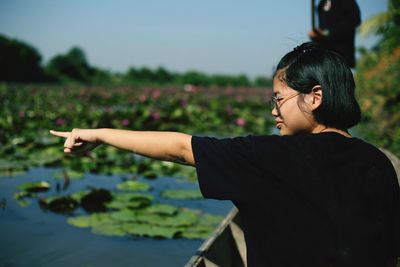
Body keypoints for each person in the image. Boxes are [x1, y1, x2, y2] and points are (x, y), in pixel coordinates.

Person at [49, 42, 399, 267]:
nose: (273, 111)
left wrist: (99, 134)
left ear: (315, 97)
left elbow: (181, 148)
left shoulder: (268, 157)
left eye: (278, 98)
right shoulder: (379, 163)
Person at [309, 0, 361, 68]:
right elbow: (322, 27)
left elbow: (355, 19)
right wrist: (316, 36)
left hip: (342, 56)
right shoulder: (321, 4)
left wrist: (327, 33)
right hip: (326, 57)